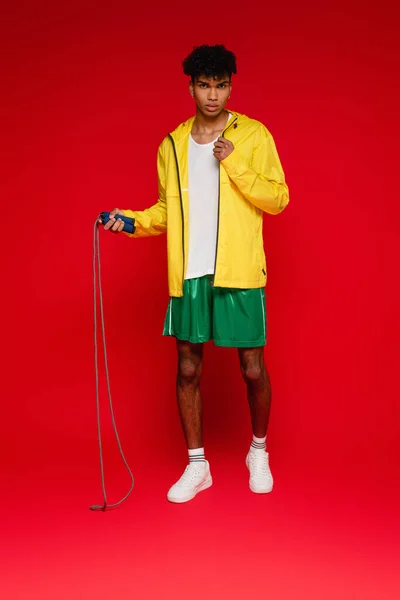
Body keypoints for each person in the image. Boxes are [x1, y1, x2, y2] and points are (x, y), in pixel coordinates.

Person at [99, 44, 289, 503]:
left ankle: (257, 451)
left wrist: (235, 162)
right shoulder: (172, 144)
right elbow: (167, 211)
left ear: (230, 86)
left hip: (238, 269)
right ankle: (197, 465)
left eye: (221, 85)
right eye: (204, 85)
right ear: (191, 87)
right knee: (187, 368)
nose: (213, 95)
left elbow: (278, 198)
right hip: (188, 271)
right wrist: (128, 220)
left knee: (251, 367)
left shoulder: (254, 136)